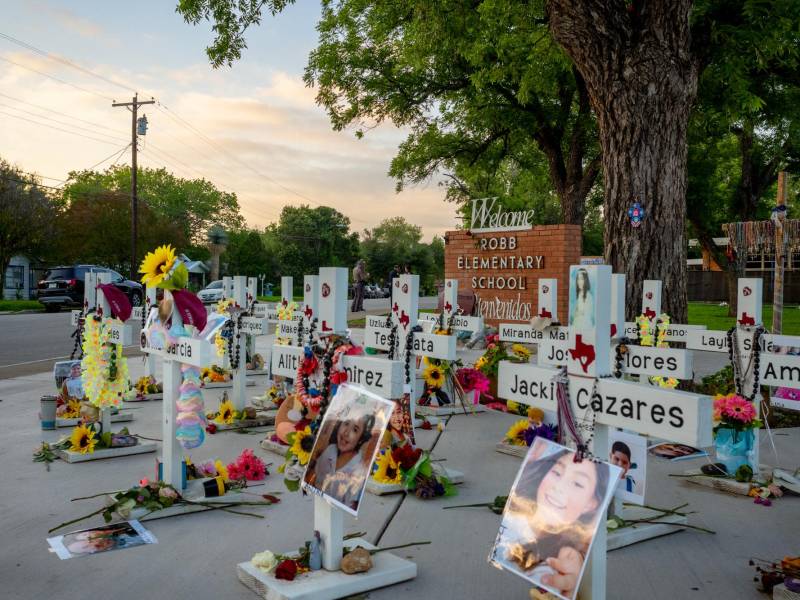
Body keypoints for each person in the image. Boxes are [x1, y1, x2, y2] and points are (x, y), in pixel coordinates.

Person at [496, 445, 611, 599]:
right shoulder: (512, 519)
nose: (559, 487)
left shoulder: (557, 562)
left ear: (591, 504)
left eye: (577, 483)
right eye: (557, 472)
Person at [309, 411, 376, 510]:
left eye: (355, 430)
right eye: (346, 423)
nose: (346, 433)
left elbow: (349, 506)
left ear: (361, 439)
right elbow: (314, 479)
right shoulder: (331, 449)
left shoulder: (359, 469)